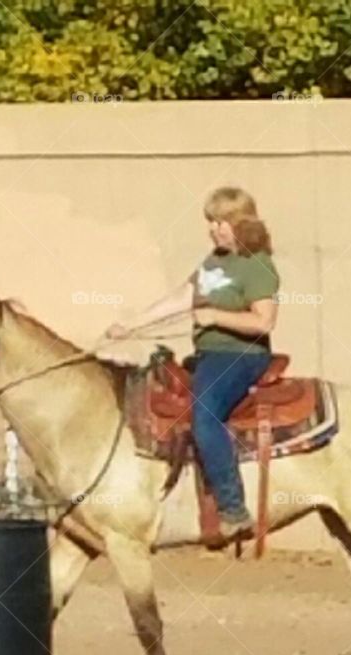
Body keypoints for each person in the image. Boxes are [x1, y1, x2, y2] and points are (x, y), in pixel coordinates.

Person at [105, 187, 280, 540]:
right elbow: (180, 300)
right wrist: (132, 325)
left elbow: (264, 322)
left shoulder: (258, 265)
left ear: (242, 223)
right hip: (207, 355)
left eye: (223, 222)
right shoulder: (213, 262)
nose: (215, 229)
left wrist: (214, 315)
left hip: (241, 356)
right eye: (211, 222)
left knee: (205, 414)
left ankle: (233, 508)